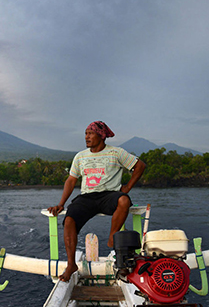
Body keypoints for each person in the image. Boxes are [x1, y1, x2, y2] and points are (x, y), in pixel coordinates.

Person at [48, 121, 146, 282]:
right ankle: (71, 264)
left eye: (90, 133)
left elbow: (140, 166)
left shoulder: (116, 153)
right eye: (85, 134)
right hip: (87, 197)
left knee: (124, 200)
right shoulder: (80, 156)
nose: (86, 137)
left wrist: (127, 187)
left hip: (109, 196)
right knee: (69, 220)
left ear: (101, 136)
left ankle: (112, 237)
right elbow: (71, 181)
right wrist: (61, 204)